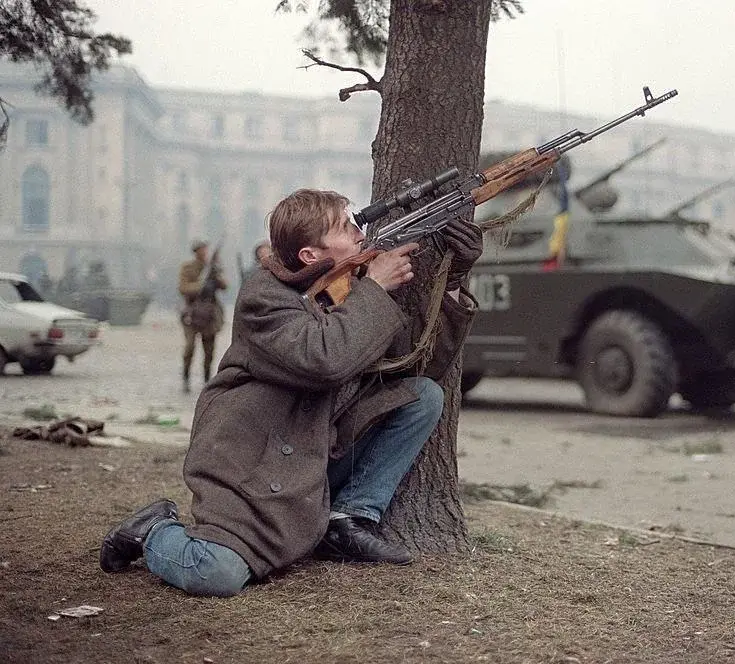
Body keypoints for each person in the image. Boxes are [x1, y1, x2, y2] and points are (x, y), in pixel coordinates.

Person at [99, 188, 482, 597]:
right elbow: (325, 359)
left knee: (422, 395)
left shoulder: (349, 287)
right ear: (310, 255)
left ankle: (347, 517)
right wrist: (374, 288)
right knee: (217, 573)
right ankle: (153, 529)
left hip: (311, 451)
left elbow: (418, 365)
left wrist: (454, 278)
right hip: (252, 462)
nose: (361, 234)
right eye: (346, 227)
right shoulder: (265, 297)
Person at [178, 240, 228, 393]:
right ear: (196, 252)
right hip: (192, 312)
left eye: (205, 249)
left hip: (209, 314)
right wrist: (201, 284)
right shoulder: (187, 267)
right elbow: (183, 288)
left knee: (209, 350)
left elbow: (224, 286)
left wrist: (216, 273)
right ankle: (186, 377)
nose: (204, 252)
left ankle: (207, 379)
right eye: (201, 249)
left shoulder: (212, 267)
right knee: (190, 347)